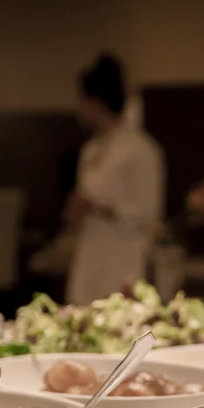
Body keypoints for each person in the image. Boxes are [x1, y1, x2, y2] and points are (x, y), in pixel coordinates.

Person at [64, 53, 165, 305]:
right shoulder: (91, 149)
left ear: (97, 103)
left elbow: (149, 214)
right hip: (90, 252)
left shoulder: (139, 149)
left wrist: (101, 207)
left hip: (123, 255)